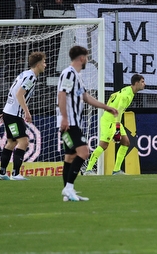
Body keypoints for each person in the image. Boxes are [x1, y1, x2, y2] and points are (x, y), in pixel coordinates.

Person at [58, 46, 119, 201]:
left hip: (73, 122)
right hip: (70, 123)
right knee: (84, 152)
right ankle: (69, 188)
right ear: (82, 58)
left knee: (70, 157)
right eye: (86, 56)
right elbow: (61, 94)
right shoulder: (69, 73)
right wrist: (64, 117)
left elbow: (85, 97)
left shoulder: (77, 76)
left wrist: (106, 107)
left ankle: (68, 192)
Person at [0, 52, 46, 180]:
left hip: (9, 112)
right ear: (38, 64)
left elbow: (13, 91)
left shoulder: (24, 74)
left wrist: (7, 109)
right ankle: (15, 174)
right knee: (23, 142)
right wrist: (27, 112)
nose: (45, 65)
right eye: (44, 62)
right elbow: (19, 94)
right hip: (14, 114)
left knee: (11, 142)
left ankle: (2, 173)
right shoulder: (31, 77)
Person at [85, 74, 146, 175]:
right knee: (104, 145)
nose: (144, 84)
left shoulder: (128, 90)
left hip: (114, 119)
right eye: (142, 82)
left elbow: (112, 96)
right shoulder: (127, 95)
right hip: (110, 120)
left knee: (126, 143)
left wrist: (109, 107)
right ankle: (88, 169)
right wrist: (117, 127)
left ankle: (116, 170)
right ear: (136, 83)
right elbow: (119, 111)